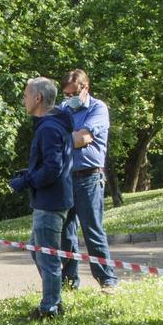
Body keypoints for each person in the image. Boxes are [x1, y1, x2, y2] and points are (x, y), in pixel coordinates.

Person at [9, 78, 73, 320]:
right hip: (51, 199)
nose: (24, 100)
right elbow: (50, 164)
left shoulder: (48, 128)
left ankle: (50, 308)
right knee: (39, 252)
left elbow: (53, 168)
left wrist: (27, 180)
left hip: (50, 201)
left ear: (38, 99)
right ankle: (54, 301)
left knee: (47, 257)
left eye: (26, 95)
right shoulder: (53, 124)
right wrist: (29, 174)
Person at [57, 68, 116, 290]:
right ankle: (70, 281)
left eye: (74, 93)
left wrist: (58, 140)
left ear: (85, 88)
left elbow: (83, 138)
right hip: (65, 177)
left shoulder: (97, 108)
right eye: (66, 94)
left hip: (89, 177)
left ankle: (107, 280)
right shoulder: (63, 110)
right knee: (65, 231)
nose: (70, 99)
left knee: (93, 229)